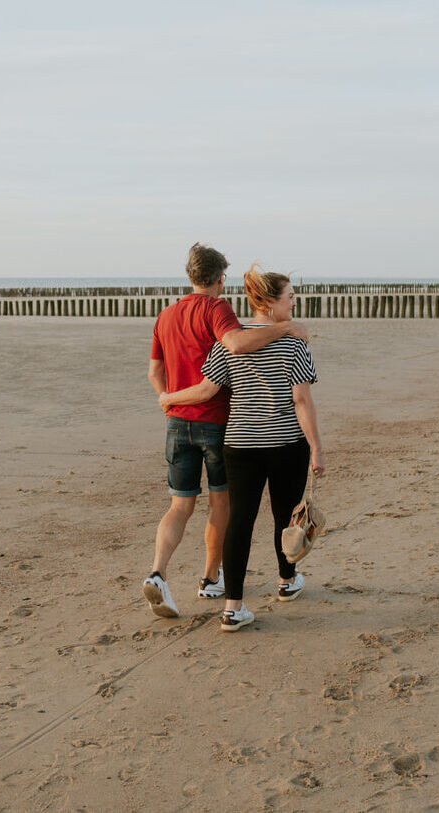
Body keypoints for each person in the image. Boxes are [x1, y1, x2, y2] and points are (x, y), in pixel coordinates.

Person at [144, 245, 310, 618]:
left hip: (176, 422)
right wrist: (286, 327)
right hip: (216, 424)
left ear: (189, 276)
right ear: (221, 278)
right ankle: (209, 579)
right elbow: (235, 344)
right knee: (223, 506)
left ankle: (157, 572)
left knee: (180, 505)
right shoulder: (217, 308)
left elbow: (154, 373)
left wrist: (168, 401)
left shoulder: (166, 314)